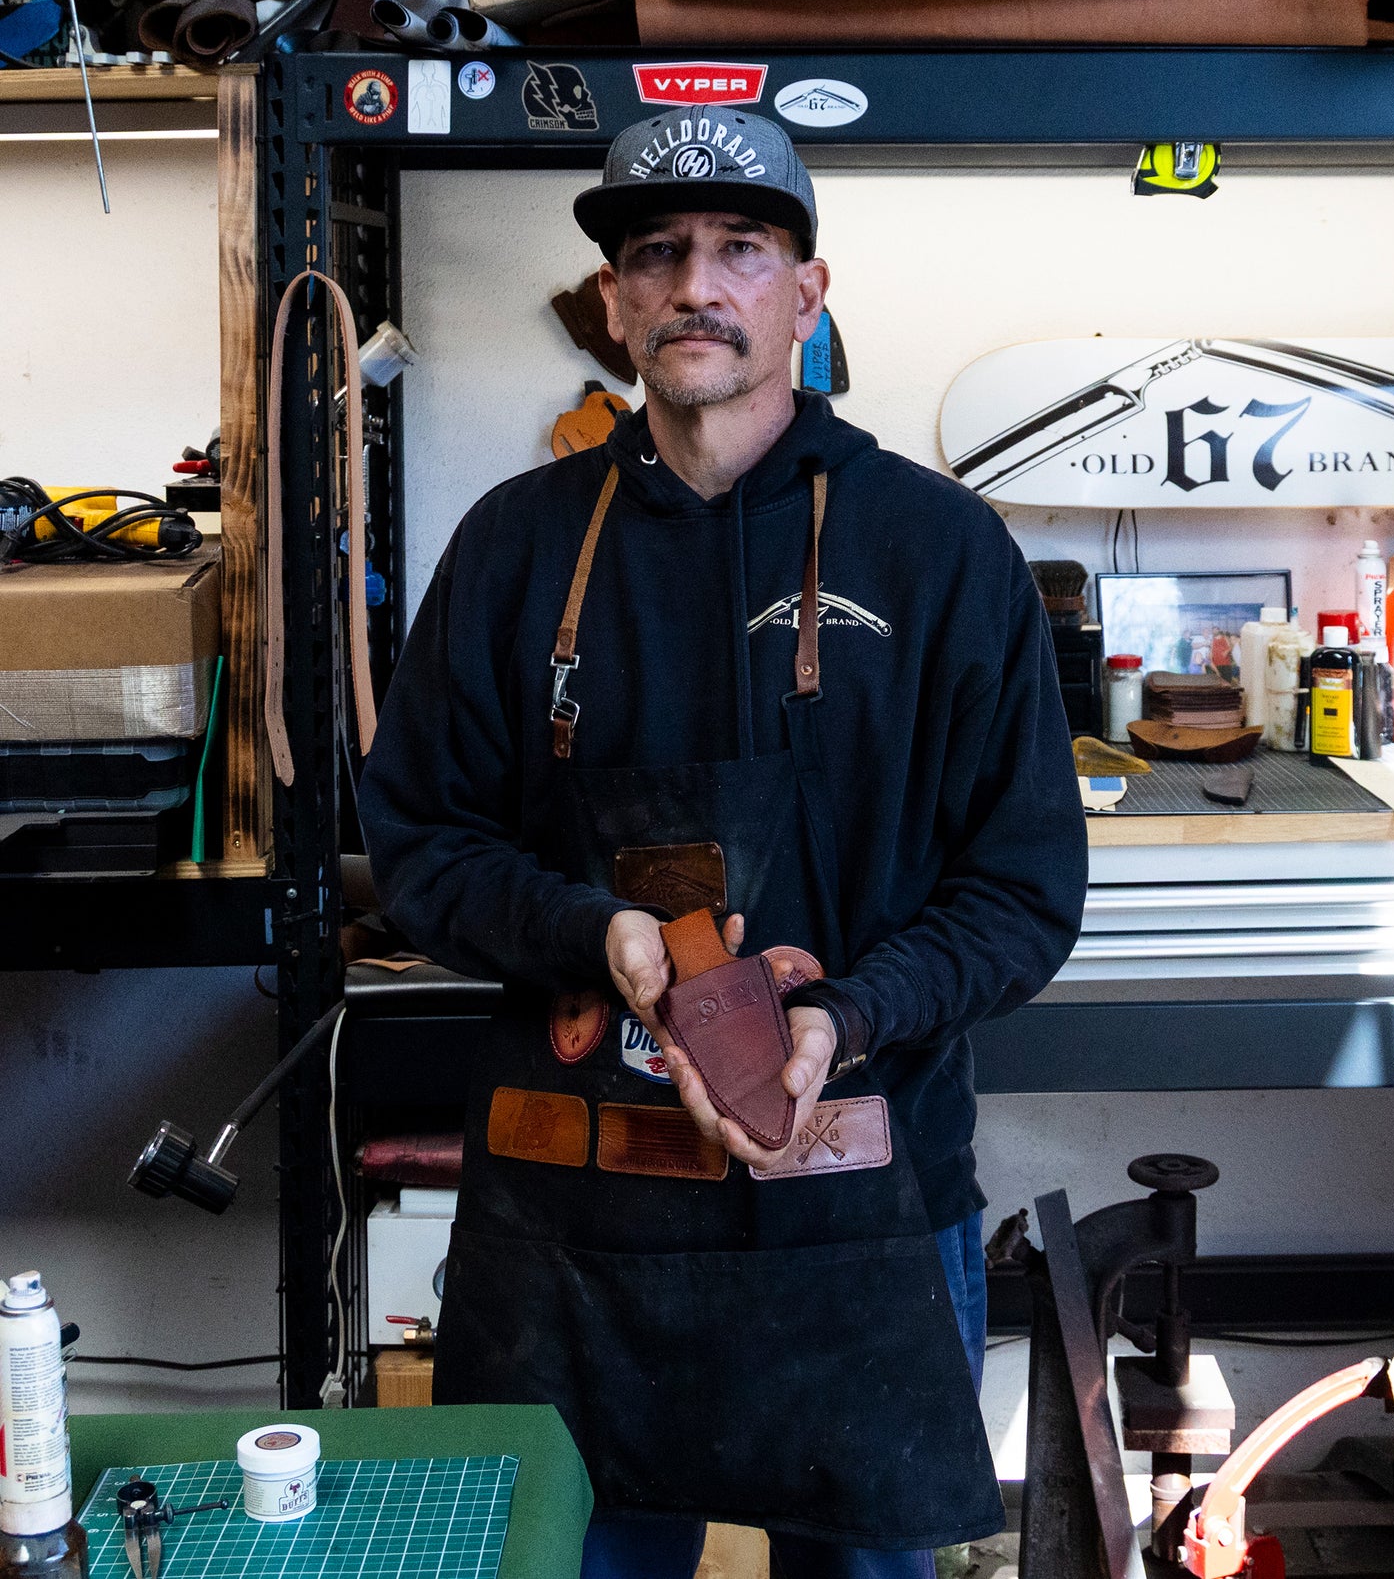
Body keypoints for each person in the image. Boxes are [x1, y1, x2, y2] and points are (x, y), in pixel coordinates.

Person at [359, 107, 1087, 1578]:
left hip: (857, 1208)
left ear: (805, 295)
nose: (698, 282)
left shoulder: (937, 552)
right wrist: (593, 932)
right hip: (576, 1223)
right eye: (658, 253)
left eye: (740, 249)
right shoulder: (511, 547)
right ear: (617, 302)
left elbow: (1019, 892)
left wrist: (844, 1012)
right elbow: (422, 839)